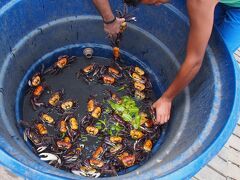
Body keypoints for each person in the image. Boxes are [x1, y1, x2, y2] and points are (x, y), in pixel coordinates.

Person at [93, 0, 240, 125]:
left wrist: (166, 99)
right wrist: (109, 19)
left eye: (155, 2)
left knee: (214, 58)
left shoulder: (198, 2)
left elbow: (195, 61)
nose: (157, 5)